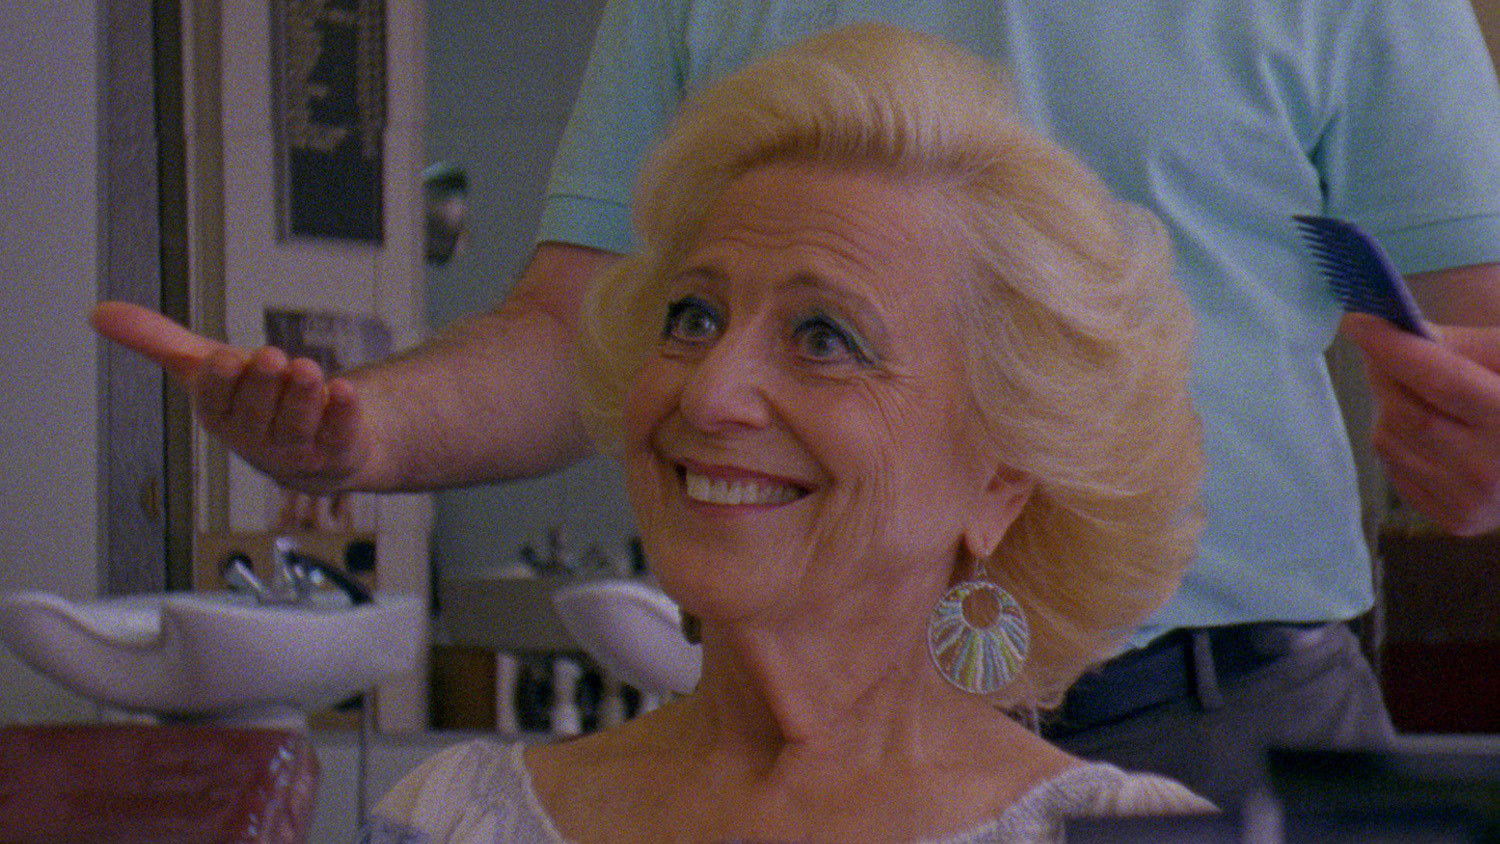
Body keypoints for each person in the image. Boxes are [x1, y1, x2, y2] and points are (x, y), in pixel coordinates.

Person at [92, 0, 1500, 807]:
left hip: (1225, 717)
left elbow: (1484, 319)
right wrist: (365, 429)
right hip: (789, 740)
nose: (722, 389)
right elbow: (586, 329)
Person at [365, 24, 1212, 842]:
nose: (710, 394)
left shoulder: (1117, 833)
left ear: (1001, 481)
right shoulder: (453, 818)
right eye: (694, 318)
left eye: (824, 339)